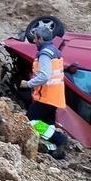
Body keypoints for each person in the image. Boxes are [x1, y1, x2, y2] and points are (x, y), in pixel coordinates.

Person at [20, 26, 69, 158]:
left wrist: (28, 84)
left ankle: (59, 139)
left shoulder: (45, 54)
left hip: (45, 96)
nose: (34, 41)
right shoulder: (54, 51)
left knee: (31, 122)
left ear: (41, 39)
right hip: (55, 95)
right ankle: (55, 152)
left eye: (35, 38)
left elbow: (44, 76)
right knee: (48, 124)